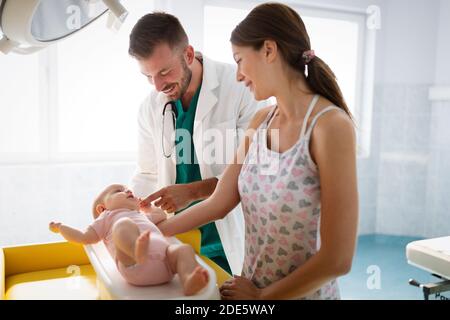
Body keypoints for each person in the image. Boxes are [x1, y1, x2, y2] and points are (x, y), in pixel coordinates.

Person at [145, 2, 359, 299]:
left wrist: (262, 297)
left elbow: (338, 259)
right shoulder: (261, 121)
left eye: (240, 60)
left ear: (269, 51)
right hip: (250, 287)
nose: (238, 75)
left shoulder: (330, 126)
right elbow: (219, 201)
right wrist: (152, 232)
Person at [128, 12, 266, 276]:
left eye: (164, 72)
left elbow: (257, 173)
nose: (157, 86)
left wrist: (192, 192)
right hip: (181, 241)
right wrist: (127, 208)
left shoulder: (241, 87)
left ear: (188, 55)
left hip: (233, 238)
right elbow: (147, 173)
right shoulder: (150, 107)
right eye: (148, 76)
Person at [49, 184, 209, 295]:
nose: (127, 191)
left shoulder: (141, 215)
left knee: (183, 249)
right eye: (119, 190)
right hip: (132, 263)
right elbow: (84, 237)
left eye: (127, 189)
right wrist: (62, 228)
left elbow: (161, 215)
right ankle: (135, 250)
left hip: (166, 264)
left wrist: (147, 208)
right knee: (123, 225)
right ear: (102, 208)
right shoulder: (107, 217)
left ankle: (188, 278)